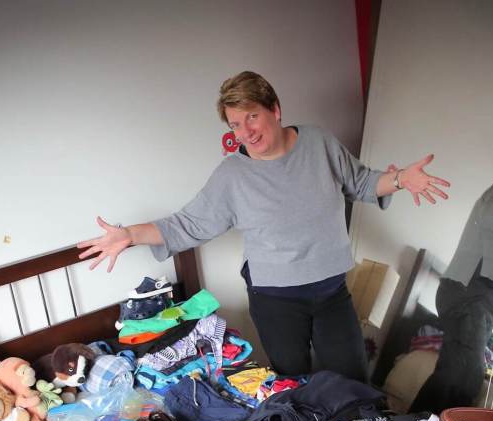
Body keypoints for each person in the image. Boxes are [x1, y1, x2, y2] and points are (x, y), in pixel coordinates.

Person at [75, 71, 450, 381]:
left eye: (252, 117)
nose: (246, 132)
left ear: (275, 109)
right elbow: (187, 224)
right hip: (276, 300)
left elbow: (362, 182)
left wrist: (400, 179)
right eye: (235, 124)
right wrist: (130, 235)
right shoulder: (232, 176)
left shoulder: (319, 143)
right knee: (294, 383)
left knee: (352, 378)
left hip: (332, 290)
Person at [409, 161, 493, 412]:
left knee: (460, 370)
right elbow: (490, 214)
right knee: (465, 373)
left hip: (484, 302)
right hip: (472, 291)